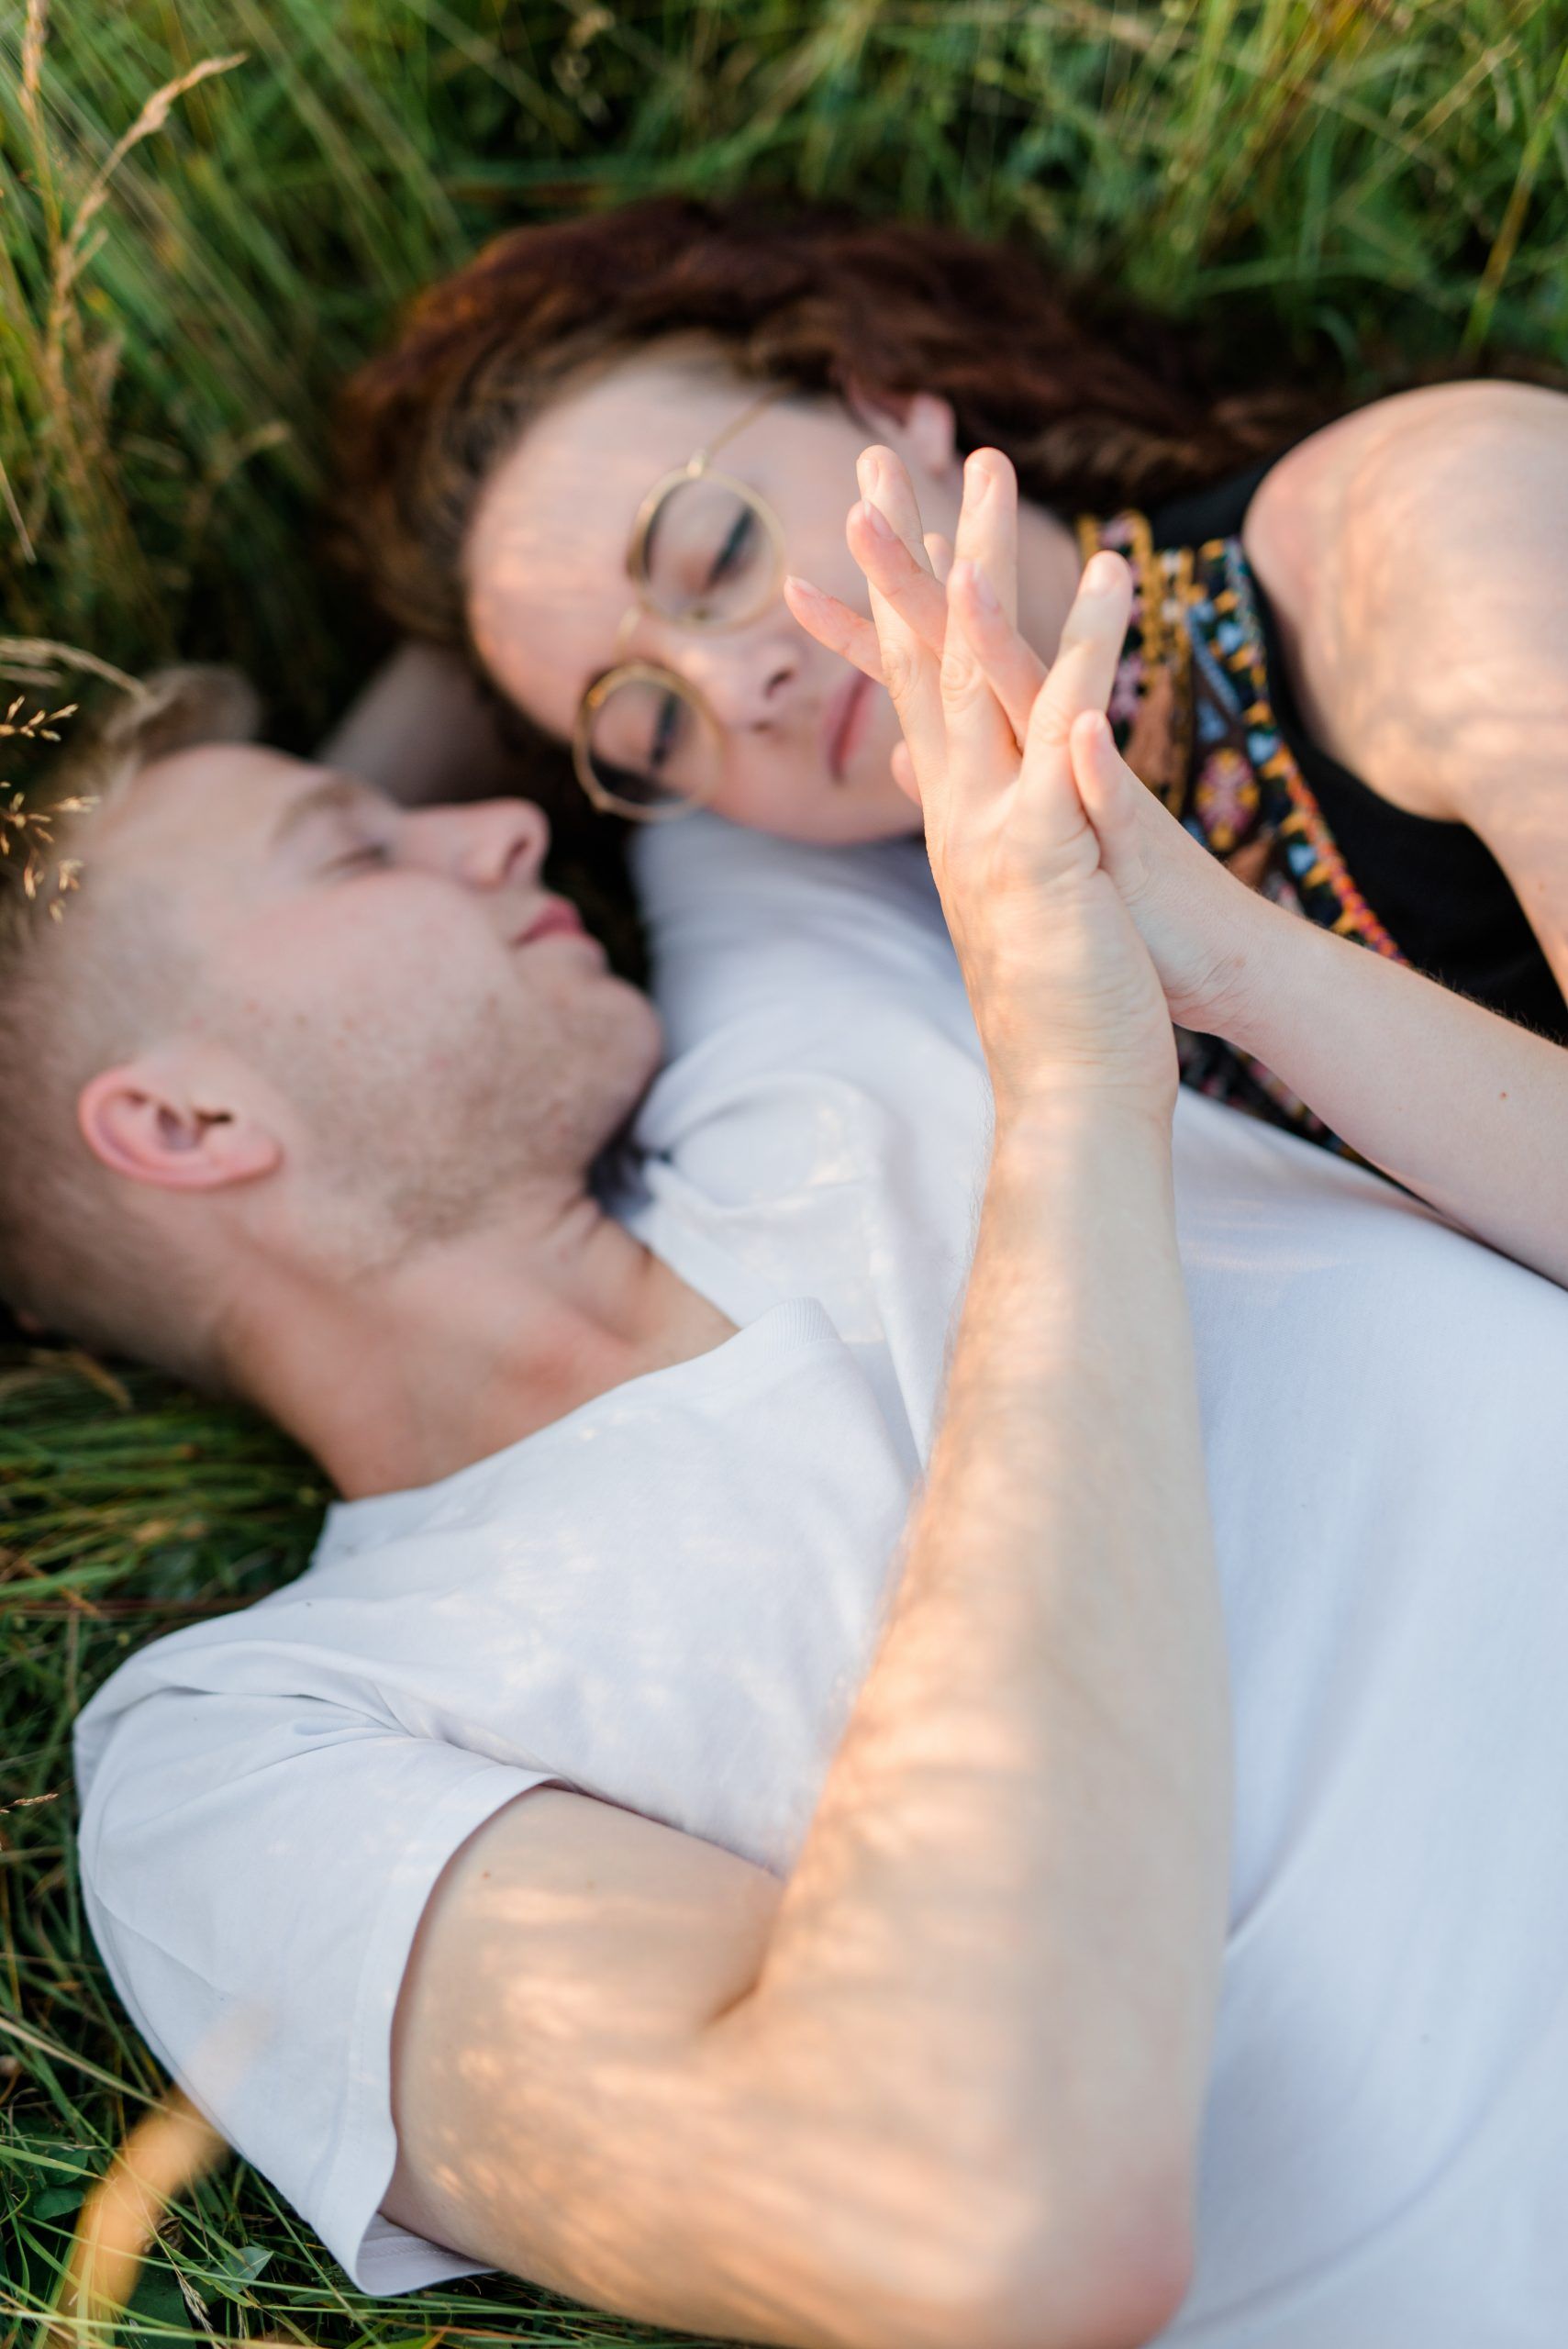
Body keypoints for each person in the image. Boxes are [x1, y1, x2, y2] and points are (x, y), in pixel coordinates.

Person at [45, 484, 1568, 2349]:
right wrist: (1070, 1097)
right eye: (356, 850)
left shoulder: (791, 1013)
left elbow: (674, 573)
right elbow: (970, 2223)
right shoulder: (254, 1748)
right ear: (183, 1123)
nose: (503, 822)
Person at [330, 195, 1568, 1149]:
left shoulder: (1422, 537)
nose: (736, 689)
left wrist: (1243, 972)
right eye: (655, 731)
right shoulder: (909, 947)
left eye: (717, 554)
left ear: (884, 402)